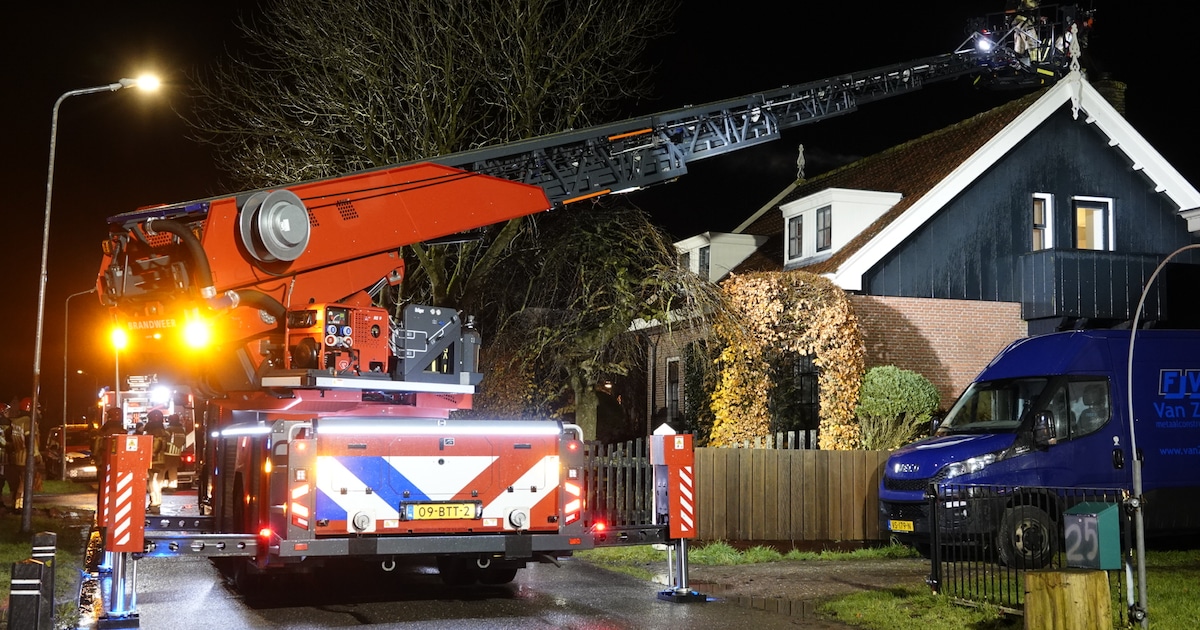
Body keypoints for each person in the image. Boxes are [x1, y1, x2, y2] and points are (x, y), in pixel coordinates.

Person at [6, 398, 39, 510]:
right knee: (25, 484)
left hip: (17, 458)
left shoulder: (15, 422)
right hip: (26, 458)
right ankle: (21, 507)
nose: (38, 411)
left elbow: (9, 438)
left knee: (20, 483)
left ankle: (18, 505)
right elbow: (30, 439)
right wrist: (34, 455)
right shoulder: (28, 421)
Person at [143, 409, 168, 514]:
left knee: (153, 482)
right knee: (158, 482)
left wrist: (151, 454)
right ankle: (155, 502)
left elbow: (155, 446)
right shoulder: (164, 431)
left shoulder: (153, 432)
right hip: (162, 460)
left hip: (154, 460)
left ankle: (155, 503)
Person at [162, 414, 186, 490]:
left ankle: (163, 484)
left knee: (163, 469)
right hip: (177, 453)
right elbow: (183, 442)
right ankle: (173, 485)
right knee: (173, 470)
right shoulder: (182, 430)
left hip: (167, 453)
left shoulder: (168, 430)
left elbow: (164, 440)